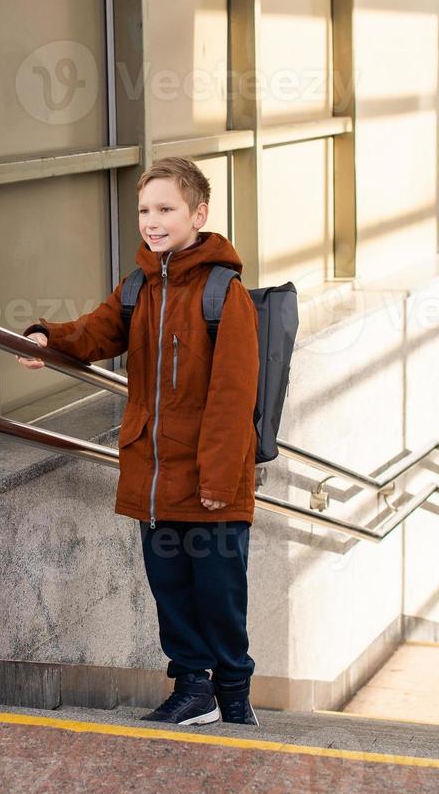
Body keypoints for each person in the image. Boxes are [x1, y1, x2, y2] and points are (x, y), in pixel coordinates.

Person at [16, 156, 262, 726]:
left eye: (166, 209)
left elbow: (233, 397)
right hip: (152, 478)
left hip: (211, 485)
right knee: (171, 592)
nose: (152, 221)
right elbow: (94, 331)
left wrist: (219, 482)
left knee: (220, 597)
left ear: (199, 214)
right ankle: (193, 691)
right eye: (145, 210)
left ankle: (235, 698)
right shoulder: (138, 287)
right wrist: (46, 336)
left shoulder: (226, 294)